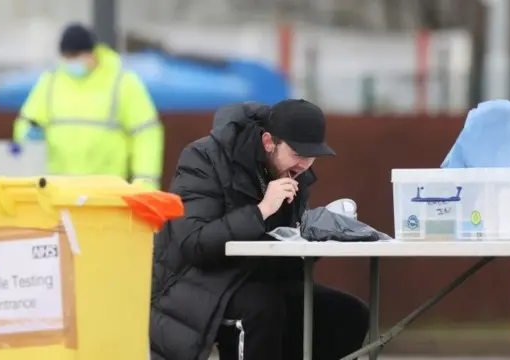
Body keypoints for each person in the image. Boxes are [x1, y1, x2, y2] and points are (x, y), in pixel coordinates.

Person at [150, 100, 369, 360]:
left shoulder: (294, 172)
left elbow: (286, 250)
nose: (304, 164)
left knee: (349, 312)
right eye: (298, 153)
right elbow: (194, 243)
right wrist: (261, 210)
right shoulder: (204, 157)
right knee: (263, 308)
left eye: (312, 157)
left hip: (258, 275)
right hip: (195, 280)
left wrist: (318, 232)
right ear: (268, 142)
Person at [11, 23, 164, 189]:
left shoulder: (123, 82)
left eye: (77, 55)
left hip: (107, 192)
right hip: (57, 191)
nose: (72, 61)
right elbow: (26, 123)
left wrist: (145, 184)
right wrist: (28, 137)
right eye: (67, 57)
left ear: (93, 52)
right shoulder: (50, 82)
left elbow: (146, 134)